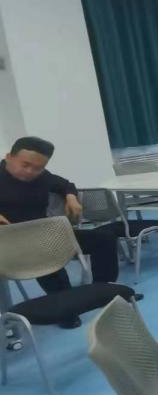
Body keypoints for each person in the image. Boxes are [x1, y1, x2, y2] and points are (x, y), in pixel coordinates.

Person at [0, 136, 121, 328]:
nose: (30, 172)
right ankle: (66, 310)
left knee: (104, 238)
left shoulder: (42, 176)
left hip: (43, 235)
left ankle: (103, 291)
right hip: (10, 245)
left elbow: (65, 184)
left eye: (38, 168)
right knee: (48, 257)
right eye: (25, 165)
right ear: (9, 157)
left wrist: (71, 197)